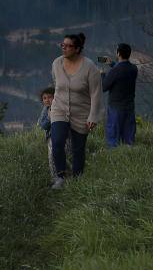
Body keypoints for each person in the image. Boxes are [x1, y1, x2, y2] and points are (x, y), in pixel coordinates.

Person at [50, 32, 104, 189]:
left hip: (81, 112)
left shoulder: (90, 67)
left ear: (78, 49)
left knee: (78, 149)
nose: (64, 48)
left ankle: (78, 180)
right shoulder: (56, 64)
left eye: (68, 46)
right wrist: (52, 107)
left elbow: (96, 93)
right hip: (59, 109)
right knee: (57, 142)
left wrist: (93, 116)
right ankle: (60, 177)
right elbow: (56, 85)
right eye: (63, 45)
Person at [102, 42, 138, 147]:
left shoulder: (115, 71)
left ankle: (113, 158)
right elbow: (123, 70)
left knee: (113, 137)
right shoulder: (133, 69)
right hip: (129, 107)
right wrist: (112, 64)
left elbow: (104, 87)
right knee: (128, 138)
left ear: (118, 54)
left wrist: (102, 75)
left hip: (116, 108)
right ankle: (129, 156)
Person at [37, 86, 71, 181]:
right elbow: (43, 125)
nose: (47, 100)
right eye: (44, 98)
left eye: (50, 97)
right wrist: (50, 117)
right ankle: (56, 179)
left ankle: (67, 177)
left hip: (65, 138)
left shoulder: (61, 107)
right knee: (51, 158)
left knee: (65, 156)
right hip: (51, 138)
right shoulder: (46, 110)